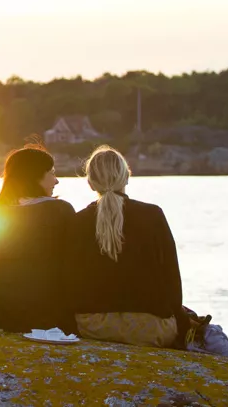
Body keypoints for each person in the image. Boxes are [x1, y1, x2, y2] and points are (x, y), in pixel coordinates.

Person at [72, 146, 189, 348]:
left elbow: (68, 280)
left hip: (93, 327)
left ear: (90, 183)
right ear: (126, 177)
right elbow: (172, 279)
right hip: (151, 329)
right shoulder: (153, 215)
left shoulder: (77, 221)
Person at [0, 144, 76, 333]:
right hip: (53, 319)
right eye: (52, 173)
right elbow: (75, 265)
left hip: (5, 316)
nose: (56, 180)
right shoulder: (61, 211)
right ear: (35, 175)